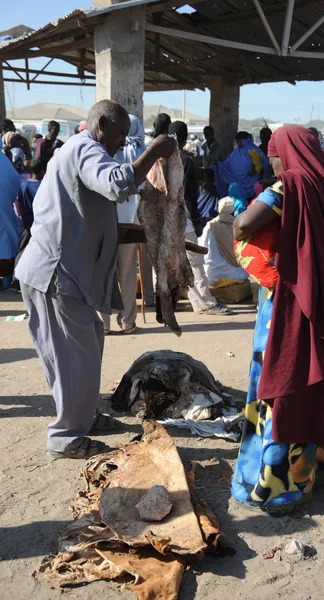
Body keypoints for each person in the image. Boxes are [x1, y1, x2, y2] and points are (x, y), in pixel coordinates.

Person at [16, 99, 176, 459]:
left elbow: (96, 220)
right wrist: (156, 149)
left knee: (86, 350)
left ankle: (84, 416)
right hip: (56, 275)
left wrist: (153, 234)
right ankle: (66, 438)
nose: (122, 142)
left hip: (70, 277)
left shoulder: (82, 152)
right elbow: (118, 183)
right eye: (120, 134)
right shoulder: (86, 148)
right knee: (73, 357)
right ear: (101, 123)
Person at [231, 125, 324, 514]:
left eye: (273, 155)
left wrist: (236, 217)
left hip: (291, 304)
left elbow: (245, 225)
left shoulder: (288, 187)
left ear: (286, 154)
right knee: (322, 382)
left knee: (281, 382)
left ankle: (277, 487)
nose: (272, 163)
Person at [169, 120, 233, 316]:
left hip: (161, 218)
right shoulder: (184, 160)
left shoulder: (158, 158)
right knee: (195, 261)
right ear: (184, 137)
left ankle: (167, 303)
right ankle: (205, 303)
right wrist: (196, 220)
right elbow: (189, 196)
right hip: (181, 218)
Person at [101, 114, 154, 334]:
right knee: (129, 272)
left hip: (107, 221)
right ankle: (128, 321)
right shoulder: (143, 152)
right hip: (131, 223)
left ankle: (102, 322)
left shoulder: (104, 151)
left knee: (104, 273)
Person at [7, 158, 47, 294]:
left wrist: (24, 219)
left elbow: (20, 206)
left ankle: (15, 283)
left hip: (27, 222)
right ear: (42, 172)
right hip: (40, 223)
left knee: (22, 251)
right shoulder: (43, 186)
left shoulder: (23, 186)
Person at [199, 197, 248, 287]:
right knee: (246, 271)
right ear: (233, 211)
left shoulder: (210, 226)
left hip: (211, 275)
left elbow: (202, 247)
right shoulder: (237, 227)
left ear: (218, 210)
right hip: (234, 275)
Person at [215, 131, 270, 199]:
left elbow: (266, 163)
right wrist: (219, 165)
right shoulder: (235, 152)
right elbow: (227, 164)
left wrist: (256, 170)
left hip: (252, 184)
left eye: (238, 142)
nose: (237, 144)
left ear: (243, 140)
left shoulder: (254, 150)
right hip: (238, 184)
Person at [0, 151, 21, 286]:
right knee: (6, 241)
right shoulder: (5, 162)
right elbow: (15, 181)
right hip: (3, 210)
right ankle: (6, 282)